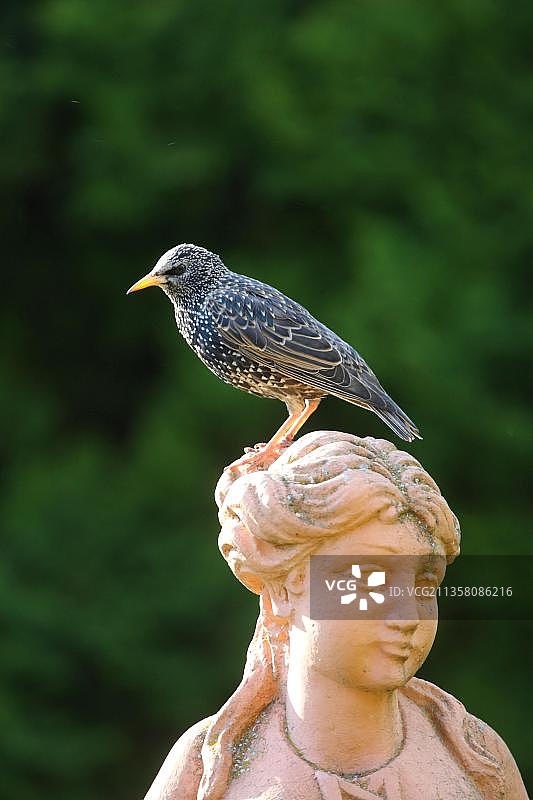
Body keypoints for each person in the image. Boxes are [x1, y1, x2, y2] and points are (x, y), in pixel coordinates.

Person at [145, 431, 527, 800]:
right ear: (282, 589)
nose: (408, 615)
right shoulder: (208, 766)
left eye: (424, 584)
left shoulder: (475, 753)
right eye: (371, 578)